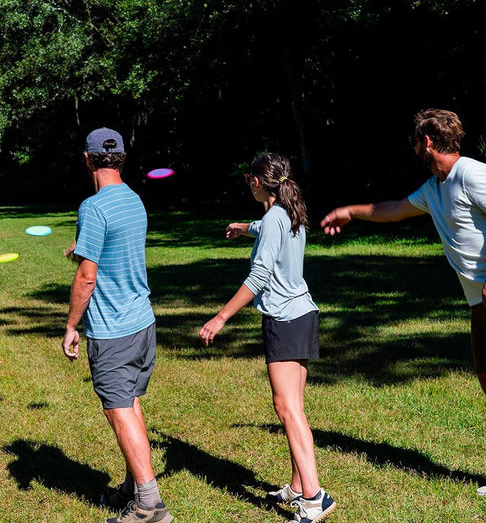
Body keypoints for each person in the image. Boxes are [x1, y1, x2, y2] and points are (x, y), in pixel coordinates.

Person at [321, 108, 486, 506]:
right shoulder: (436, 186)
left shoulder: (471, 173)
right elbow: (395, 209)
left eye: (416, 141)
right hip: (481, 299)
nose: (415, 147)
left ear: (427, 141)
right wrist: (350, 212)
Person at [199, 153, 337, 523]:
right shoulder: (289, 212)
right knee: (295, 408)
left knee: (286, 408)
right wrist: (243, 227)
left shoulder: (277, 216)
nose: (248, 183)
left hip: (285, 320)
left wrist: (220, 318)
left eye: (249, 178)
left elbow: (258, 275)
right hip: (303, 314)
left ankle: (315, 497)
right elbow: (264, 228)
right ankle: (298, 485)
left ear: (257, 182)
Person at [62, 128, 173, 523]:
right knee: (131, 402)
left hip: (114, 329)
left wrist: (71, 325)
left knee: (118, 409)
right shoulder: (133, 199)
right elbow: (115, 250)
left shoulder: (93, 207)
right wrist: (83, 250)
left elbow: (87, 277)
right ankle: (132, 487)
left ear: (87, 159)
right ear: (121, 158)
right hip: (142, 323)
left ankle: (149, 505)